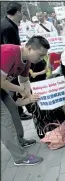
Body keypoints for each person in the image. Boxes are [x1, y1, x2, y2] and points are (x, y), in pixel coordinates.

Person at [1, 36, 50, 166]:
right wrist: (20, 90)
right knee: (5, 120)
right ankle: (20, 157)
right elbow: (1, 81)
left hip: (2, 88)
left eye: (43, 56)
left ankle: (19, 140)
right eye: (40, 55)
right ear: (29, 48)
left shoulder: (27, 60)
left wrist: (28, 95)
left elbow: (24, 81)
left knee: (13, 111)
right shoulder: (9, 52)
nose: (40, 59)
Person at [0, 2, 33, 121]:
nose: (23, 15)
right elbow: (9, 49)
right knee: (11, 90)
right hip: (8, 66)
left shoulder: (5, 23)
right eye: (23, 12)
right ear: (18, 12)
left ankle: (17, 110)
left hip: (7, 66)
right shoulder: (8, 27)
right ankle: (18, 111)